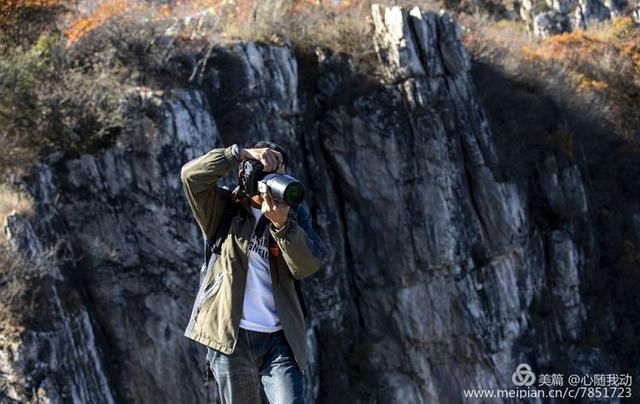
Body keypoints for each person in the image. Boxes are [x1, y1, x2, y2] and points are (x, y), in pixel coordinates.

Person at [180, 141, 327, 404]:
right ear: (244, 173)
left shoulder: (293, 216)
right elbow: (190, 176)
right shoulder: (223, 208)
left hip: (280, 340)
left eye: (276, 171)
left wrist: (282, 226)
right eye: (263, 170)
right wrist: (239, 154)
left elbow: (307, 266)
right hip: (231, 338)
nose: (270, 180)